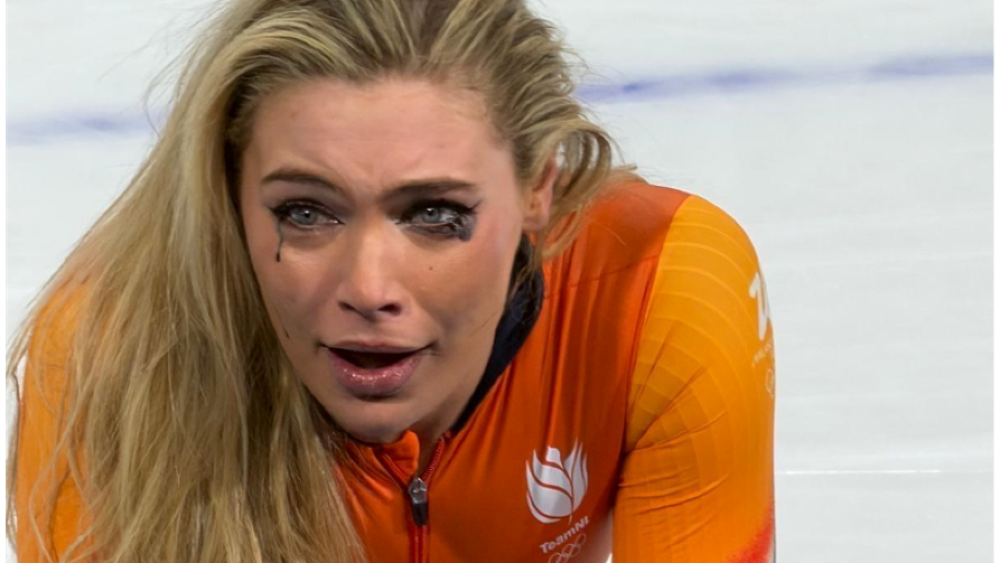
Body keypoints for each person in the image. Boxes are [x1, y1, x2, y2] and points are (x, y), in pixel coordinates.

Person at [5, 0, 777, 561]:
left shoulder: (661, 286)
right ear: (229, 192)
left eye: (435, 214)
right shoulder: (108, 351)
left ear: (539, 189)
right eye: (305, 211)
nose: (369, 287)